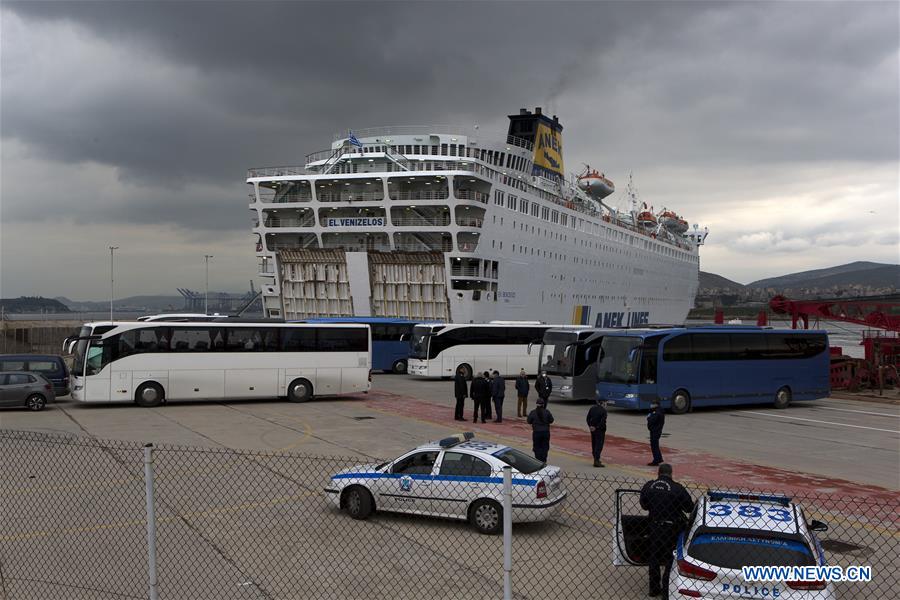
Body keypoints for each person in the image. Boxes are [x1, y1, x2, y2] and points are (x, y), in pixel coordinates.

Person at [640, 463, 694, 598]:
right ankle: (666, 590)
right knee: (670, 559)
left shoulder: (649, 486)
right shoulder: (677, 488)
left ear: (658, 473)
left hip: (654, 527)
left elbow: (644, 505)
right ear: (671, 474)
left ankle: (654, 588)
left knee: (654, 558)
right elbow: (689, 507)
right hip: (671, 529)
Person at [586, 398, 608, 467]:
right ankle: (596, 461)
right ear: (602, 403)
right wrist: (596, 427)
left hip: (592, 430)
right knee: (599, 445)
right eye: (605, 402)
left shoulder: (592, 408)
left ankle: (595, 458)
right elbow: (602, 422)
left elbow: (588, 418)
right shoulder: (604, 411)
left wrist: (590, 426)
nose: (606, 404)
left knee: (594, 444)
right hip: (600, 430)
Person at [647, 400, 665, 466]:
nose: (651, 405)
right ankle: (659, 459)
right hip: (656, 430)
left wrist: (649, 417)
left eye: (652, 404)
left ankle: (656, 460)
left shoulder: (657, 412)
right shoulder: (657, 411)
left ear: (656, 405)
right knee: (655, 445)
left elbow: (652, 420)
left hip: (655, 431)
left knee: (654, 446)